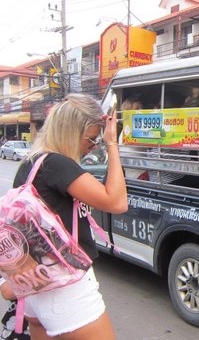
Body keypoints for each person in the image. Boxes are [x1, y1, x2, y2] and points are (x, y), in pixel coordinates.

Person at [12, 93, 128, 340]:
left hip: (37, 285)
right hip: (65, 286)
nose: (93, 145)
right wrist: (112, 143)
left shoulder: (31, 164)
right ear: (72, 130)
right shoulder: (58, 165)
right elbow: (117, 202)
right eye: (92, 138)